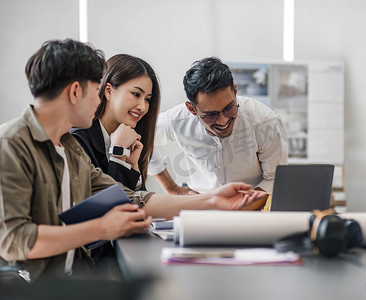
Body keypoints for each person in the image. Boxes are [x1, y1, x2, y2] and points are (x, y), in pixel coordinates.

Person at [0, 39, 264, 280]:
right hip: (28, 285)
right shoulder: (11, 144)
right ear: (75, 92)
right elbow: (13, 240)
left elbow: (129, 198)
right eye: (97, 89)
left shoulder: (71, 150)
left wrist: (213, 199)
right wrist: (101, 227)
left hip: (72, 279)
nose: (99, 98)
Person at [149, 57, 288, 209]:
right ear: (191, 109)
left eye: (229, 108)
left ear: (235, 91)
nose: (223, 121)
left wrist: (239, 208)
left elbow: (274, 179)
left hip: (253, 209)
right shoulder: (177, 120)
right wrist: (172, 189)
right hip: (200, 208)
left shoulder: (265, 122)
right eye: (211, 115)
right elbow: (143, 137)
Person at [71, 54, 160, 191]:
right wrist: (118, 153)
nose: (142, 107)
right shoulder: (77, 140)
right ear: (108, 91)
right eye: (136, 94)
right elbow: (105, 205)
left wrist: (132, 167)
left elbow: (137, 204)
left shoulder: (133, 141)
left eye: (147, 99)